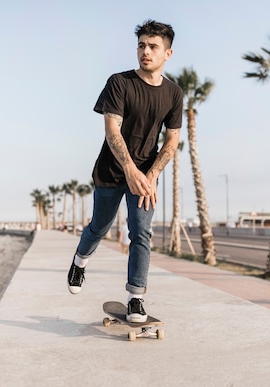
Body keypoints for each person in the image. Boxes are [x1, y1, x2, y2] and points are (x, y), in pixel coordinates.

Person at [67, 19, 183, 323]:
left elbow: (171, 141)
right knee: (100, 228)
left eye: (153, 46)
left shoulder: (173, 94)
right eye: (141, 45)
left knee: (141, 232)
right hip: (112, 170)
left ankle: (135, 299)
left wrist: (152, 174)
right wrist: (129, 169)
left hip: (145, 175)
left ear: (167, 54)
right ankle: (80, 260)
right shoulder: (119, 82)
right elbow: (112, 131)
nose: (145, 51)